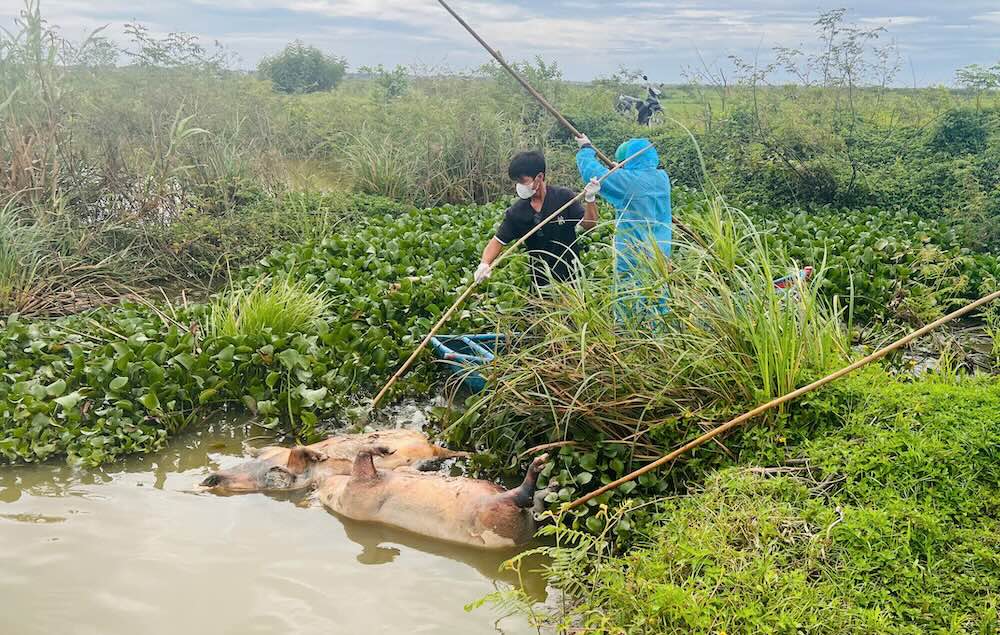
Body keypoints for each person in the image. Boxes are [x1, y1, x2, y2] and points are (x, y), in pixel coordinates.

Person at [574, 135, 672, 317]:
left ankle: (630, 339)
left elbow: (591, 171)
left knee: (629, 298)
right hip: (661, 251)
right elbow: (635, 179)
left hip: (634, 253)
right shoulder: (662, 178)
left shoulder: (628, 182)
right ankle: (661, 338)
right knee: (659, 297)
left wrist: (586, 149)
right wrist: (619, 170)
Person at [475, 150, 599, 288]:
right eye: (517, 182)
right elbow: (497, 241)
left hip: (571, 280)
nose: (519, 186)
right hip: (540, 284)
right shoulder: (517, 212)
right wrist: (484, 263)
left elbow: (590, 225)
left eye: (523, 181)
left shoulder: (564, 198)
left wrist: (590, 199)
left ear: (539, 177)